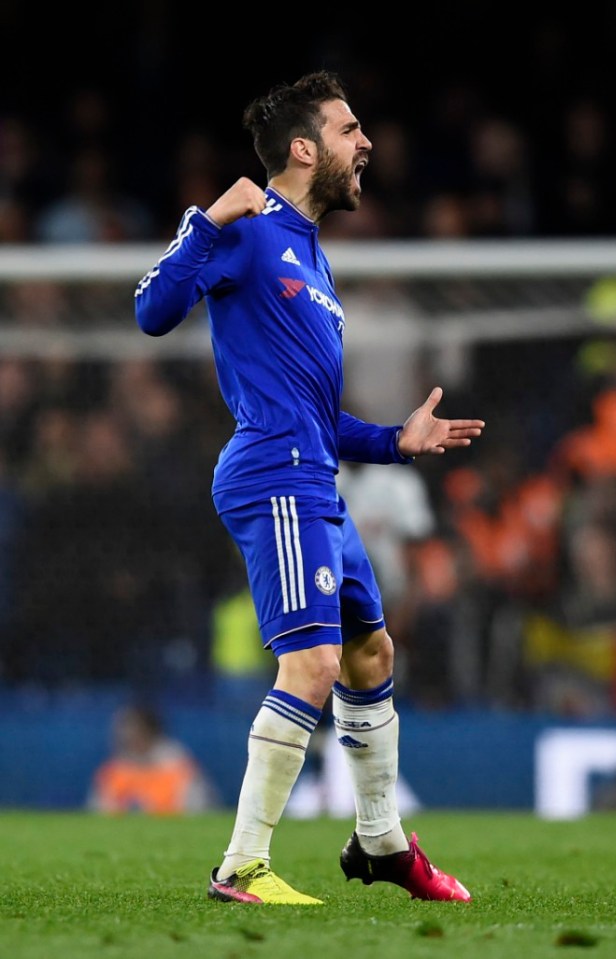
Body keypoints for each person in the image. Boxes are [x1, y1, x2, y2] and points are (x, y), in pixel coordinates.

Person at [134, 70, 485, 906]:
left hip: (313, 474)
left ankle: (381, 841)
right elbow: (151, 311)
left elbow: (319, 420)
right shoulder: (251, 232)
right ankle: (240, 865)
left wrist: (395, 440)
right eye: (349, 128)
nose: (365, 143)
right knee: (316, 661)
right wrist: (202, 219)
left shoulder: (313, 261)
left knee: (371, 651)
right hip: (273, 478)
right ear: (304, 148)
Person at [87, 704, 219, 814]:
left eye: (134, 729)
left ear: (150, 730)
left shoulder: (177, 764)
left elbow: (200, 809)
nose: (127, 735)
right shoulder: (114, 770)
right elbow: (97, 812)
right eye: (123, 730)